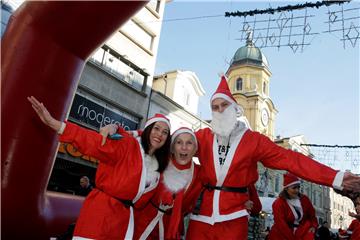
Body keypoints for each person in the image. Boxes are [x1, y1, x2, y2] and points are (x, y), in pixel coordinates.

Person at [183, 75, 360, 240]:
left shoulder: (253, 140)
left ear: (235, 108)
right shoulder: (202, 136)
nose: (220, 110)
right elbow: (177, 149)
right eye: (215, 107)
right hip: (201, 216)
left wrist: (335, 177)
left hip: (234, 217)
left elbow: (291, 160)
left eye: (224, 105)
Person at [27, 96, 171, 239]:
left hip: (122, 224)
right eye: (156, 128)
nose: (159, 134)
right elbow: (93, 143)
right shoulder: (127, 145)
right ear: (148, 129)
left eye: (165, 132)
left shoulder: (158, 167)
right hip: (101, 216)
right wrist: (58, 125)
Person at [132, 127, 201, 240]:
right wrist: (131, 131)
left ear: (195, 150)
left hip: (171, 227)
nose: (184, 147)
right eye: (179, 142)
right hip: (143, 218)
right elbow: (151, 138)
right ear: (172, 147)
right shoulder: (161, 159)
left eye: (189, 143)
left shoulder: (199, 173)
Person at [268, 172, 318, 240]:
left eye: (298, 187)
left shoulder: (304, 199)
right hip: (282, 235)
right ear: (286, 188)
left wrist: (313, 226)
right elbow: (281, 224)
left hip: (301, 233)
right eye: (294, 188)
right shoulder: (278, 203)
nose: (297, 190)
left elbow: (312, 216)